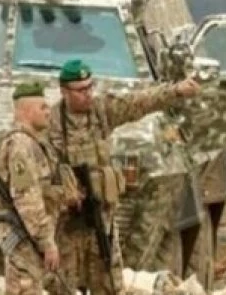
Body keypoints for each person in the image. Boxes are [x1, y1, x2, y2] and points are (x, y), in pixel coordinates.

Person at [49, 59, 202, 295]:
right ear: (64, 91)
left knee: (109, 282)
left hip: (100, 218)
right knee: (63, 285)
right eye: (80, 90)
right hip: (67, 222)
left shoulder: (102, 110)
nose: (87, 94)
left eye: (90, 87)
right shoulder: (51, 123)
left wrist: (176, 91)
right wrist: (61, 194)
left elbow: (139, 102)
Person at [0, 82, 82, 295]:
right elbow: (27, 199)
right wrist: (46, 242)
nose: (48, 112)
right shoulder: (20, 146)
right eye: (43, 107)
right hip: (23, 235)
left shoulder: (34, 143)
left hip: (31, 235)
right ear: (26, 111)